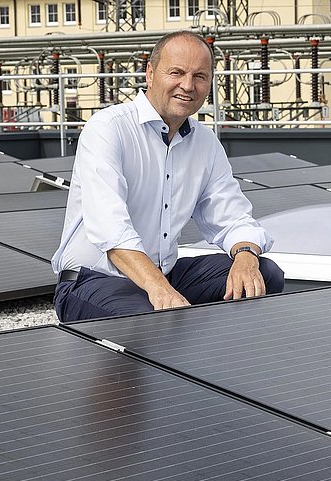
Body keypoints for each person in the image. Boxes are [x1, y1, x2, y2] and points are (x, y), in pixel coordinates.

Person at [51, 31, 284, 322]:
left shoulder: (204, 143)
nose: (188, 85)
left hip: (166, 275)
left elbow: (233, 219)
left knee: (265, 274)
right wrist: (160, 290)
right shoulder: (108, 130)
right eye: (176, 72)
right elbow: (111, 231)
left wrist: (246, 257)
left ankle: (219, 359)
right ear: (150, 74)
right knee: (153, 318)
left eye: (200, 76)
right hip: (92, 281)